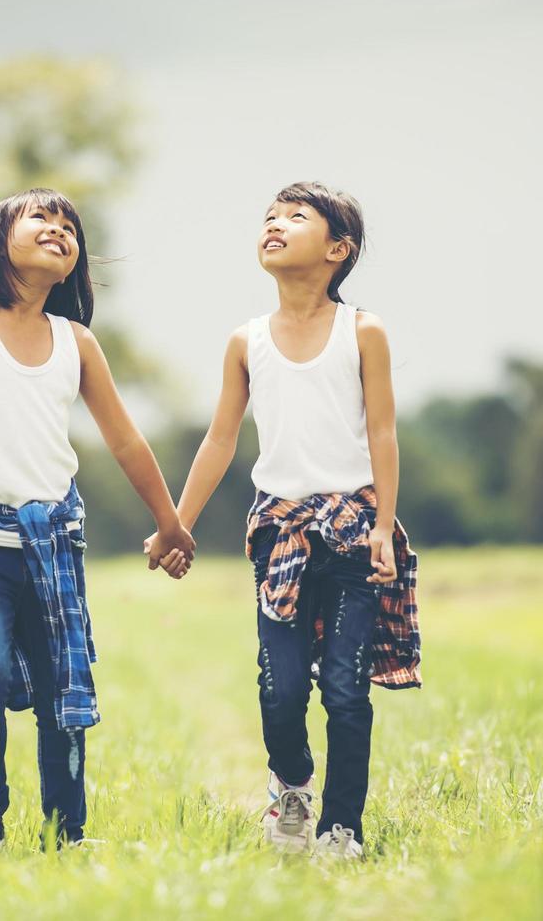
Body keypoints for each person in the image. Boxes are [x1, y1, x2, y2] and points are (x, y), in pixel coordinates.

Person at [0, 188, 194, 859]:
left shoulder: (77, 342)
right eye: (40, 218)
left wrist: (169, 523)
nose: (58, 230)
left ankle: (69, 832)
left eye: (69, 226)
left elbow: (125, 441)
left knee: (61, 687)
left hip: (54, 542)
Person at [150, 181, 420, 859]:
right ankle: (292, 788)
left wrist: (384, 526)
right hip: (280, 535)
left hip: (354, 531)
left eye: (295, 217)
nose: (274, 224)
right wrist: (176, 523)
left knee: (345, 692)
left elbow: (382, 433)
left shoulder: (364, 331)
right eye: (269, 217)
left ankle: (340, 828)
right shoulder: (246, 341)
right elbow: (219, 439)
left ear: (337, 249)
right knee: (280, 689)